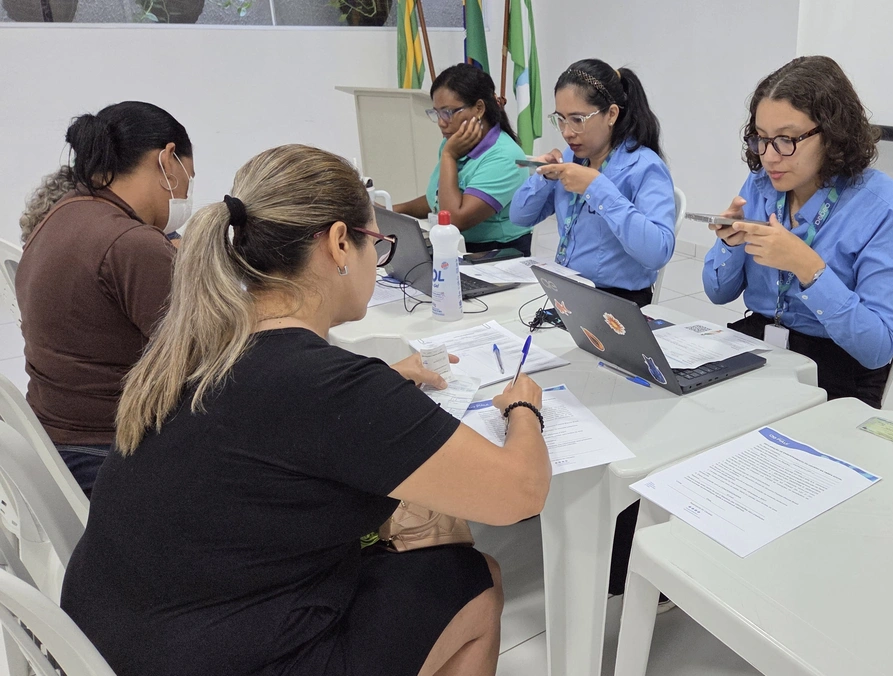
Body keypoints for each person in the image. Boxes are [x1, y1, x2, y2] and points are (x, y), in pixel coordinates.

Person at [60, 145, 552, 676]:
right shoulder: (327, 386)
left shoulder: (201, 344)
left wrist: (381, 384)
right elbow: (519, 495)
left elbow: (272, 427)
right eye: (376, 246)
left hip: (106, 640)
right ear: (340, 243)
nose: (375, 258)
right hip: (210, 649)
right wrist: (523, 406)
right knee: (473, 580)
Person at [703, 56, 893, 407]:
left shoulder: (890, 210)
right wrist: (729, 246)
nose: (770, 157)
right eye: (760, 139)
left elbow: (878, 347)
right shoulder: (762, 184)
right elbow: (717, 293)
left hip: (836, 367)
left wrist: (809, 269)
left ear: (833, 134)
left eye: (786, 139)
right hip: (761, 347)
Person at [16, 101, 193, 496]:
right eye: (188, 178)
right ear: (167, 160)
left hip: (53, 441)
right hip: (101, 457)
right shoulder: (132, 244)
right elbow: (204, 361)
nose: (186, 194)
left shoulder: (62, 212)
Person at [510, 58, 676, 307]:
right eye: (561, 119)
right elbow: (519, 218)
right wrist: (542, 178)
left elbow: (657, 252)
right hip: (567, 291)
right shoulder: (571, 157)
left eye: (577, 120)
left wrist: (597, 187)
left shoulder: (644, 166)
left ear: (611, 114)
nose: (566, 132)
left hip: (616, 301)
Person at [392, 64, 533, 257]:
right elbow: (438, 199)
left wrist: (449, 156)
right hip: (457, 249)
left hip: (496, 257)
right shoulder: (453, 143)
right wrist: (395, 210)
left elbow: (453, 219)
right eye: (436, 113)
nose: (441, 122)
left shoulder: (505, 157)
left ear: (479, 108)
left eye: (448, 112)